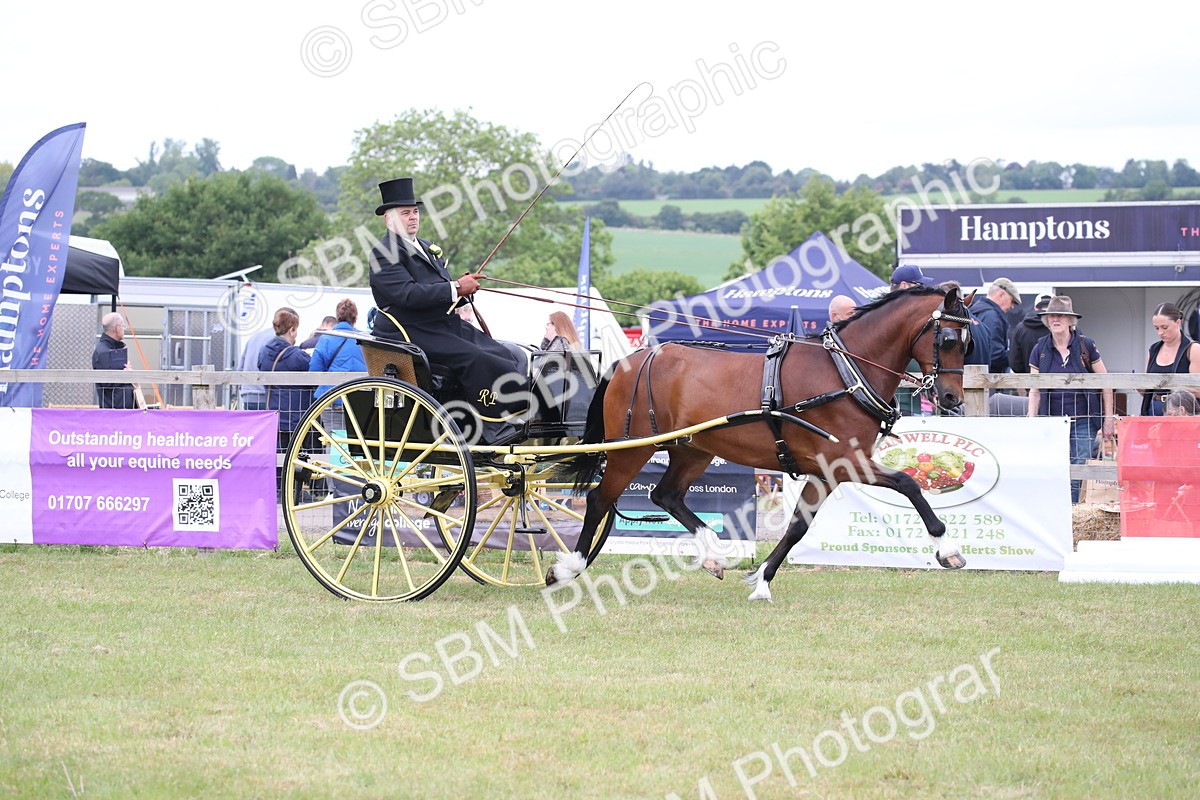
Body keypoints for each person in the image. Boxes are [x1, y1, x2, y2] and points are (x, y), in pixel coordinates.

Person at [367, 177, 523, 443]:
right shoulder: (383, 253)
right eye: (405, 213)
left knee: (506, 352)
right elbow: (407, 294)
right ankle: (490, 427)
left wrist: (462, 292)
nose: (413, 217)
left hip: (440, 323)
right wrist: (455, 288)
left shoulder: (427, 246)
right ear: (388, 219)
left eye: (415, 211)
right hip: (411, 331)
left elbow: (437, 289)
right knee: (476, 357)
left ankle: (511, 413)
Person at [1027, 296, 1115, 504]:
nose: (1055, 319)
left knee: (1078, 467)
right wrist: (1031, 419)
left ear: (1070, 320)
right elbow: (1034, 389)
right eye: (1051, 316)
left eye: (1060, 315)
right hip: (1051, 421)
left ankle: (1073, 512)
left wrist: (1108, 418)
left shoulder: (1086, 345)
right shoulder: (1040, 348)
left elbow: (1107, 381)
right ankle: (1054, 508)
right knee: (1053, 467)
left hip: (1083, 419)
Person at [1139, 302, 1200, 416]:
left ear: (1178, 322)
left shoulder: (1193, 349)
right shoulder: (1153, 350)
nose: (1160, 332)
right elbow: (1147, 389)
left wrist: (1174, 388)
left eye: (1165, 327)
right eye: (1156, 328)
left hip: (1182, 412)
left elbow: (1198, 390)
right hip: (1155, 409)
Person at [310, 298, 367, 399]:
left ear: (337, 317)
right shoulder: (366, 340)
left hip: (331, 397)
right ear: (355, 318)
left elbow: (314, 371)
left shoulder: (325, 339)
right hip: (360, 397)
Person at [968, 277, 1021, 374]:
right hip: (988, 378)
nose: (1012, 306)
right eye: (1012, 301)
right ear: (1001, 295)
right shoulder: (992, 317)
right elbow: (995, 356)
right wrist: (1017, 355)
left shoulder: (974, 312)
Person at [92, 312, 136, 408]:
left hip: (121, 409)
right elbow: (107, 381)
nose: (124, 330)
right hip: (114, 412)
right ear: (117, 328)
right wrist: (126, 375)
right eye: (123, 326)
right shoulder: (103, 352)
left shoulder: (110, 349)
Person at [1008, 293, 1053, 375]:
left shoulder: (1020, 328)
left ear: (1035, 307)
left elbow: (1015, 363)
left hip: (1030, 383)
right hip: (1060, 383)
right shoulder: (1065, 327)